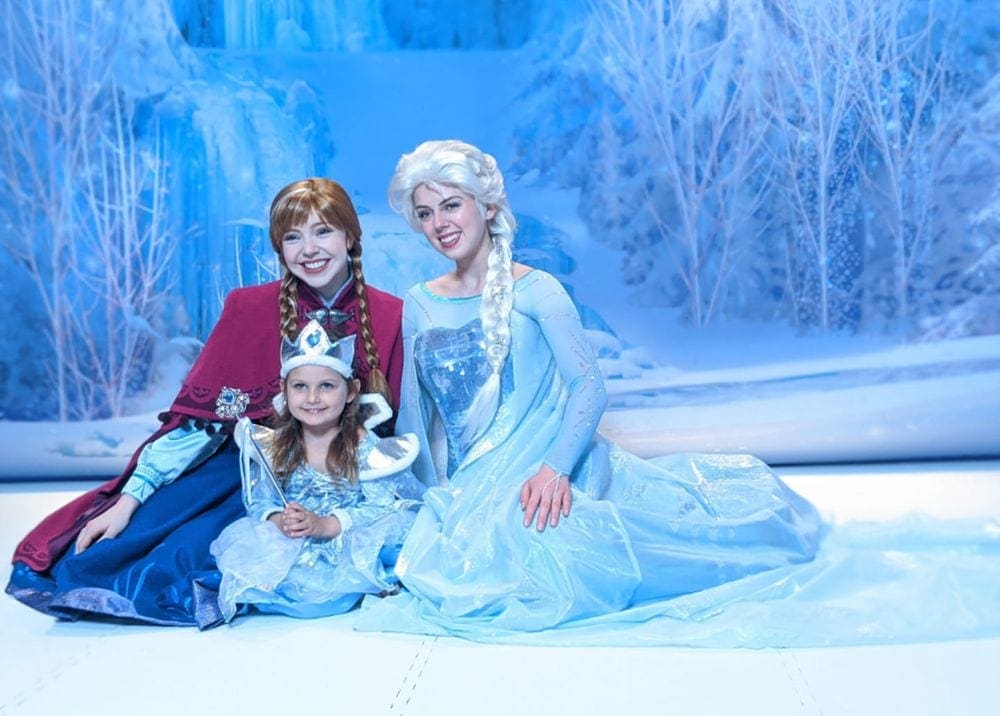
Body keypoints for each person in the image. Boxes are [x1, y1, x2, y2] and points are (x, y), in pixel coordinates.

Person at [359, 140, 822, 635]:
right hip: (471, 481)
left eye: (451, 205)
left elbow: (588, 386)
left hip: (544, 463)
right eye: (426, 213)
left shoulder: (537, 289)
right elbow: (415, 413)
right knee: (448, 563)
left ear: (487, 205)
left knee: (553, 556)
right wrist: (427, 500)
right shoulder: (420, 302)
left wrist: (555, 470)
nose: (439, 224)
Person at [7, 178, 405, 628]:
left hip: (343, 484)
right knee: (140, 561)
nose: (309, 248)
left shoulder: (390, 314)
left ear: (350, 236)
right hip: (247, 476)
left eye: (323, 231)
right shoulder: (248, 308)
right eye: (293, 236)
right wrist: (130, 499)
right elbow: (201, 426)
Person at [210, 321, 423, 623]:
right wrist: (278, 519)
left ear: (351, 391)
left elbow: (383, 508)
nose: (312, 398)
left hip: (345, 537)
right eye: (300, 387)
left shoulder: (362, 446)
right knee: (264, 566)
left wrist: (326, 525)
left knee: (385, 546)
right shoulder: (277, 446)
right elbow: (260, 500)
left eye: (326, 386)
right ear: (284, 391)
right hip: (295, 542)